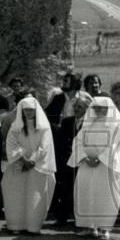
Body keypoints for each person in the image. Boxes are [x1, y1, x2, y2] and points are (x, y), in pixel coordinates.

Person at [70, 96, 120, 240]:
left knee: (105, 197)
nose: (99, 110)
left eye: (103, 108)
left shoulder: (118, 127)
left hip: (107, 167)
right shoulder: (88, 125)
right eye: (96, 108)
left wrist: (100, 158)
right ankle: (89, 226)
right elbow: (77, 143)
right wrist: (85, 157)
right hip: (87, 166)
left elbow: (118, 147)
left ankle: (104, 228)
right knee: (86, 194)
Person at [2, 96, 56, 235]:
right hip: (19, 165)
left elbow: (45, 146)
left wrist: (31, 160)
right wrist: (22, 159)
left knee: (35, 195)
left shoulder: (44, 127)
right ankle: (16, 225)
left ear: (36, 111)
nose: (28, 113)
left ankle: (33, 226)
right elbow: (11, 144)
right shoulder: (16, 127)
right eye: (26, 110)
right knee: (16, 195)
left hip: (37, 166)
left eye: (31, 110)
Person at [51, 90, 92, 227]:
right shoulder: (67, 122)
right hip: (68, 161)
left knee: (81, 191)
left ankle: (79, 219)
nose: (76, 109)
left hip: (84, 162)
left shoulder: (91, 124)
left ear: (87, 109)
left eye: (80, 107)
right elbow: (61, 142)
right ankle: (62, 217)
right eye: (75, 107)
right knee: (66, 189)